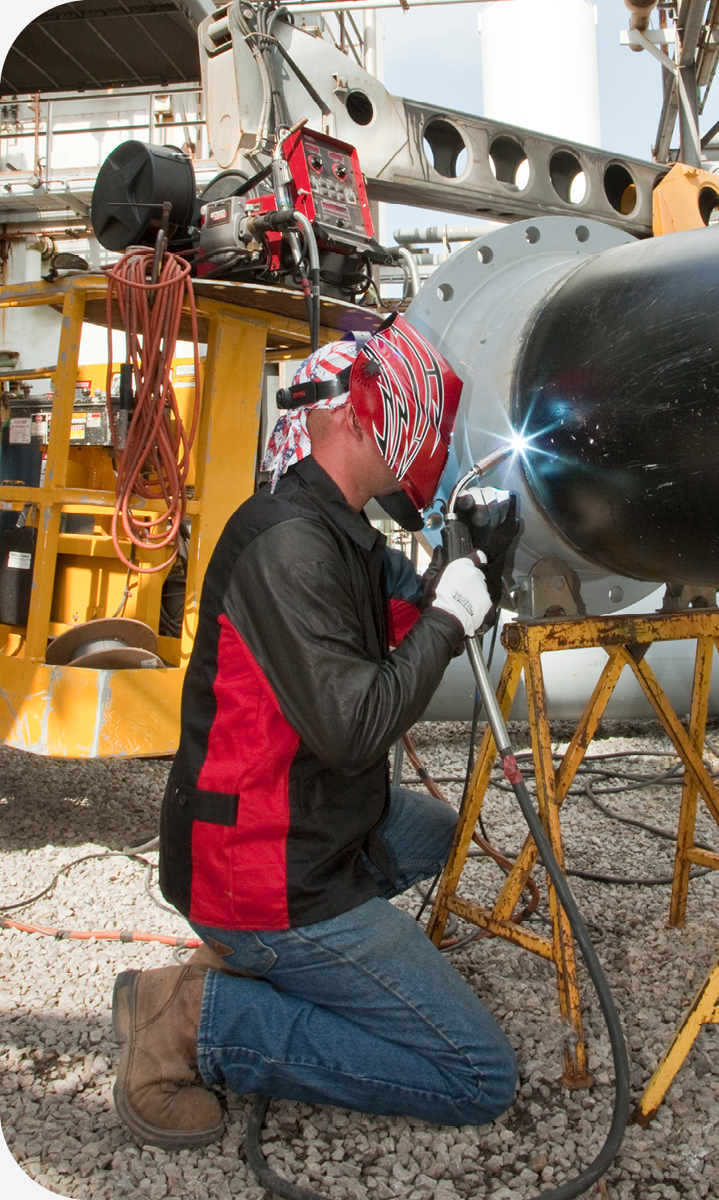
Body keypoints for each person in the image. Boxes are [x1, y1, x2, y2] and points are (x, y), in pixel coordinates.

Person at [111, 318, 517, 1149]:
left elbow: (412, 611)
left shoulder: (345, 533)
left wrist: (476, 564)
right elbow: (356, 726)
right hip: (260, 865)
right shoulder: (290, 545)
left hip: (306, 817)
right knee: (478, 1076)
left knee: (434, 830)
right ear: (355, 417)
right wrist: (448, 618)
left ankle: (281, 966)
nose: (422, 445)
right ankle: (194, 1018)